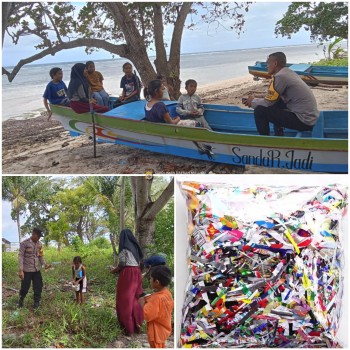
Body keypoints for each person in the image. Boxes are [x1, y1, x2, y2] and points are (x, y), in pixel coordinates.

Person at [243, 52, 319, 136]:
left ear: (275, 63)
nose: (267, 66)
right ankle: (279, 133)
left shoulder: (280, 77)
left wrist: (252, 102)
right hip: (311, 118)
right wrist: (255, 97)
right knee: (277, 101)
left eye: (268, 63)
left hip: (304, 121)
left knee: (260, 111)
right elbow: (273, 95)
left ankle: (264, 140)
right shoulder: (288, 72)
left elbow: (268, 102)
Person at [110, 229, 144, 335]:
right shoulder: (135, 247)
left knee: (124, 300)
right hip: (137, 272)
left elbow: (122, 264)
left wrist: (113, 270)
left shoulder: (124, 248)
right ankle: (137, 325)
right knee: (135, 298)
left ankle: (128, 328)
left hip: (127, 274)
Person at [138, 266, 174, 348]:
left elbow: (147, 316)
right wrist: (148, 298)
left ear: (157, 282)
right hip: (164, 329)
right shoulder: (167, 293)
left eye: (150, 279)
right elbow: (158, 299)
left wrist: (141, 303)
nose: (149, 280)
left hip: (156, 333)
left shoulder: (156, 299)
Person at [18, 228, 50, 309]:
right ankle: (21, 299)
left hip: (36, 270)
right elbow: (20, 256)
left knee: (38, 286)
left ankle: (36, 303)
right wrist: (21, 270)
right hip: (27, 270)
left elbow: (40, 256)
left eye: (40, 237)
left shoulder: (39, 244)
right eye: (38, 236)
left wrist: (44, 264)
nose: (39, 238)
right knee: (25, 287)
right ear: (34, 234)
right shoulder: (24, 243)